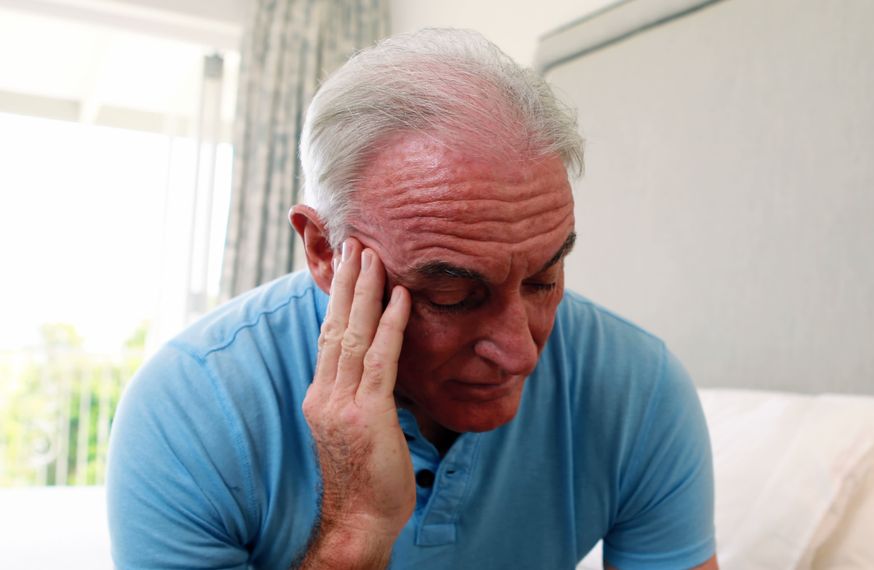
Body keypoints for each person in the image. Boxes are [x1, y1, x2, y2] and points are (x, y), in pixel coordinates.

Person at [107, 28, 717, 570]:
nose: (519, 352)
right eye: (452, 295)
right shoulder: (190, 408)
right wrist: (356, 529)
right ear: (324, 250)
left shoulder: (640, 390)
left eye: (543, 279)